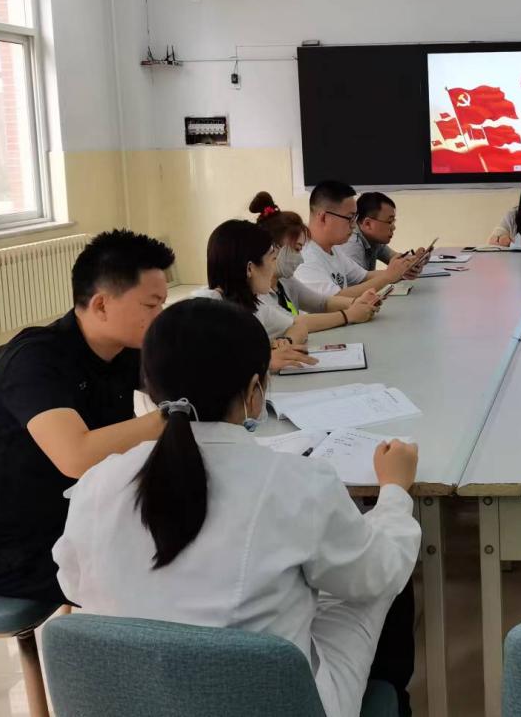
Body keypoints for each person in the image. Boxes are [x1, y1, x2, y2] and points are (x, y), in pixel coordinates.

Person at [53, 298, 421, 716]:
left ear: (151, 391)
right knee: (376, 573)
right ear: (254, 391)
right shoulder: (297, 482)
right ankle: (394, 700)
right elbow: (377, 574)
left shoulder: (100, 481)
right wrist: (394, 492)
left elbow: (72, 583)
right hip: (268, 702)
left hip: (132, 699)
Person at [0, 230, 175, 603]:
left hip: (83, 516)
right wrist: (170, 417)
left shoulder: (122, 349)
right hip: (19, 553)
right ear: (102, 305)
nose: (160, 317)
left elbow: (179, 378)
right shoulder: (35, 359)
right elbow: (76, 456)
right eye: (151, 305)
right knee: (182, 570)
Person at [196, 219, 378, 343]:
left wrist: (285, 343)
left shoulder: (254, 305)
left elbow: (298, 325)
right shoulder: (204, 312)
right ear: (250, 268)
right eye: (272, 258)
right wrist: (268, 359)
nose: (272, 266)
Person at [295, 181, 418, 299]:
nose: (354, 225)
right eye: (349, 218)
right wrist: (388, 277)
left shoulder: (333, 248)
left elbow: (364, 276)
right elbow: (333, 300)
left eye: (354, 218)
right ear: (324, 218)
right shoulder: (304, 257)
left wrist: (400, 271)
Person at [340, 191, 423, 276]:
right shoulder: (351, 245)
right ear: (368, 224)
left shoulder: (373, 240)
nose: (394, 227)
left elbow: (394, 258)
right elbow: (358, 283)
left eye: (393, 221)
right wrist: (393, 274)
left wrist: (415, 259)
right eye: (389, 222)